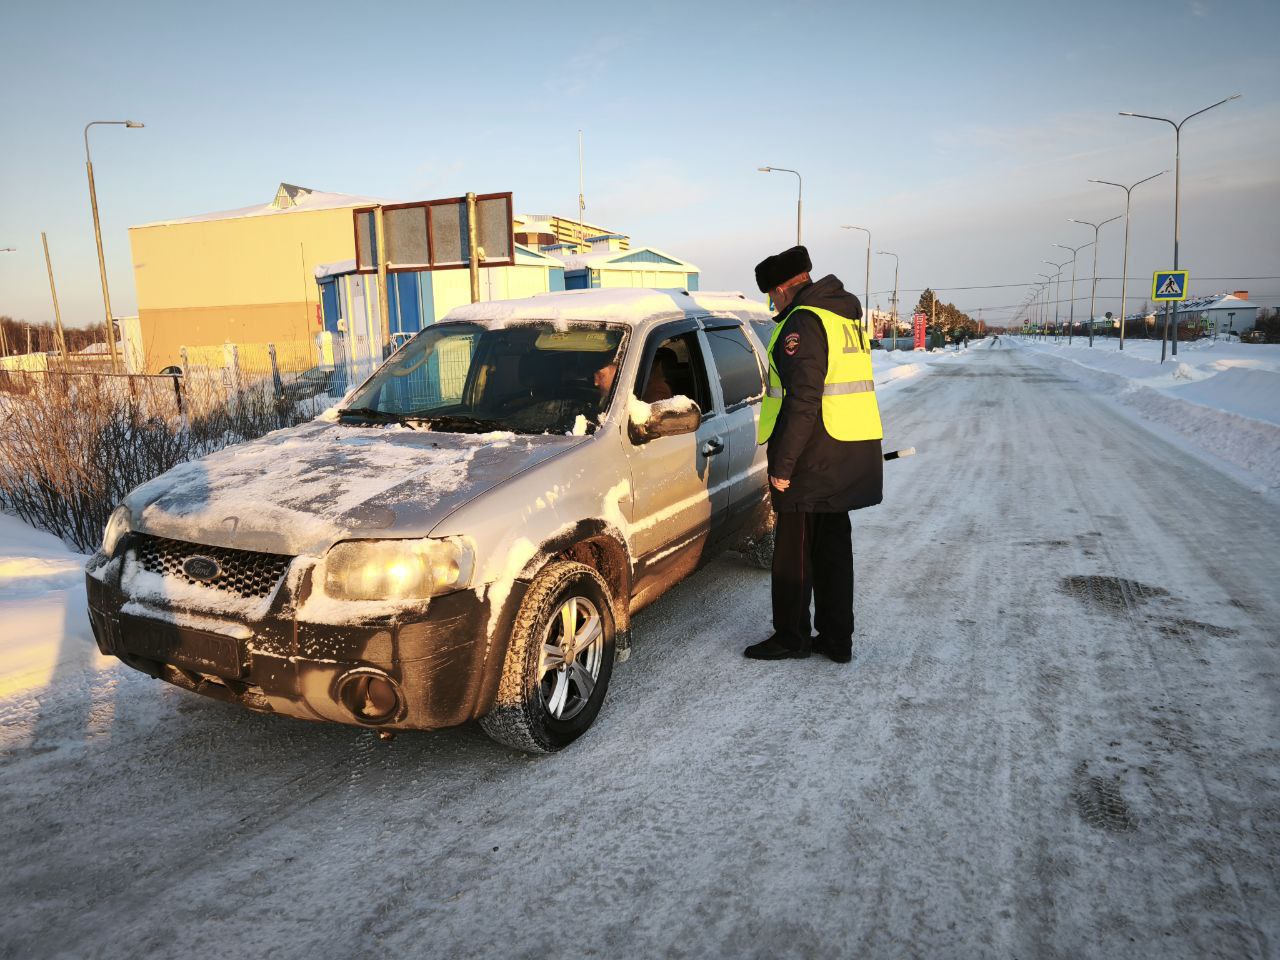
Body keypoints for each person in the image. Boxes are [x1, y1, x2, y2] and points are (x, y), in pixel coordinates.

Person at [744, 245, 884, 663]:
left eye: (772, 295)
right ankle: (838, 639)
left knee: (794, 554)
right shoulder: (841, 314)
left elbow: (804, 400)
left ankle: (791, 636)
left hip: (813, 455)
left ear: (786, 288)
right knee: (833, 551)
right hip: (848, 450)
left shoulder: (803, 324)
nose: (773, 303)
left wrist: (783, 466)